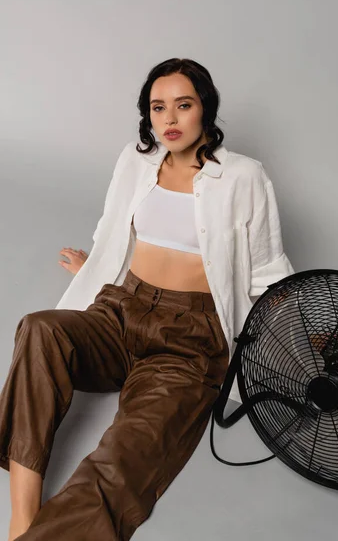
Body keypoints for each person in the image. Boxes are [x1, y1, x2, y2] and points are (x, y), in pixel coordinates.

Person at [0, 57, 294, 540]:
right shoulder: (135, 161)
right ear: (148, 115)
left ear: (206, 109)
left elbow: (266, 269)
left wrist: (296, 328)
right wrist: (94, 269)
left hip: (189, 341)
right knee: (40, 327)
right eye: (159, 108)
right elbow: (114, 229)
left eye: (183, 105)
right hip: (120, 309)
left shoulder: (243, 176)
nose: (170, 120)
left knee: (122, 461)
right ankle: (21, 520)